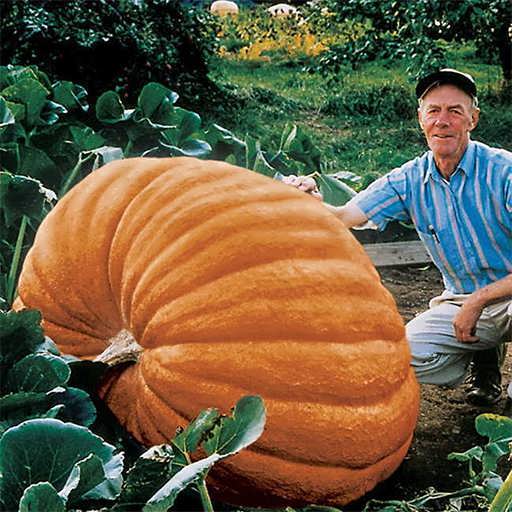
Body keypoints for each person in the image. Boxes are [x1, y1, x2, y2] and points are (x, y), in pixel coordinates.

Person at [285, 68, 512, 405]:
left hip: (503, 295)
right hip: (460, 302)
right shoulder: (409, 179)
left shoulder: (504, 171)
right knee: (394, 360)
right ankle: (482, 352)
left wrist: (479, 300)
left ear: (473, 119)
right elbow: (345, 217)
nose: (443, 121)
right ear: (421, 119)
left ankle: (493, 366)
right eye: (433, 111)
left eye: (455, 111)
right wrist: (309, 200)